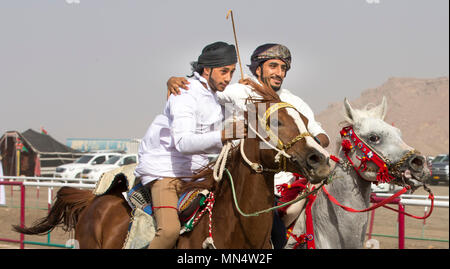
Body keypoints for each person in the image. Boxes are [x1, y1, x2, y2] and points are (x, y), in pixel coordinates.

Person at [166, 43, 330, 248]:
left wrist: (307, 147)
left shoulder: (292, 102)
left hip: (282, 184)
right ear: (258, 69)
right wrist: (177, 82)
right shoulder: (238, 91)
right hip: (236, 179)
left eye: (283, 68)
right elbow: (205, 94)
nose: (279, 72)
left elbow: (319, 134)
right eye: (273, 66)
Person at [134, 41, 245, 249]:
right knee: (169, 232)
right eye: (223, 72)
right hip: (165, 171)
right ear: (207, 69)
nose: (228, 78)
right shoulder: (184, 92)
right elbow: (184, 143)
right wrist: (223, 136)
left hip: (197, 171)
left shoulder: (219, 97)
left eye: (231, 72)